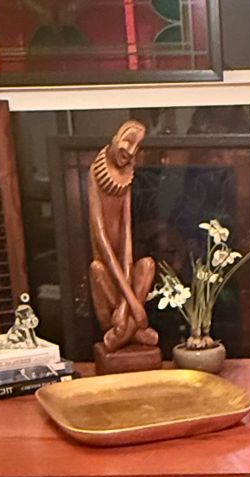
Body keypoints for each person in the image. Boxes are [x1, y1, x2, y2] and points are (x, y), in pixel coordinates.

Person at [88, 120, 159, 355]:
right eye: (128, 142)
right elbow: (102, 239)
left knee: (147, 264)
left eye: (136, 148)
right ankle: (134, 330)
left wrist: (125, 306)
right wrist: (134, 305)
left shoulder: (126, 177)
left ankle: (122, 334)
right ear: (116, 138)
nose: (130, 152)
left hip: (124, 273)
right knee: (96, 269)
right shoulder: (95, 174)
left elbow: (127, 236)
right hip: (107, 269)